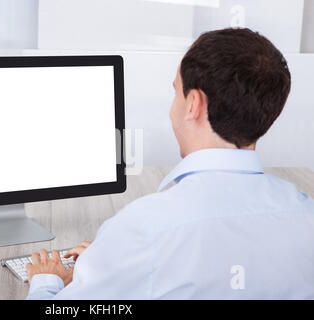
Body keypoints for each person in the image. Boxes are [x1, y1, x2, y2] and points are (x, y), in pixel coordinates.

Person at [25, 28, 314, 299]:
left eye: (176, 91)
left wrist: (46, 279)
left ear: (194, 105)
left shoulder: (143, 229)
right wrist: (110, 261)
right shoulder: (306, 214)